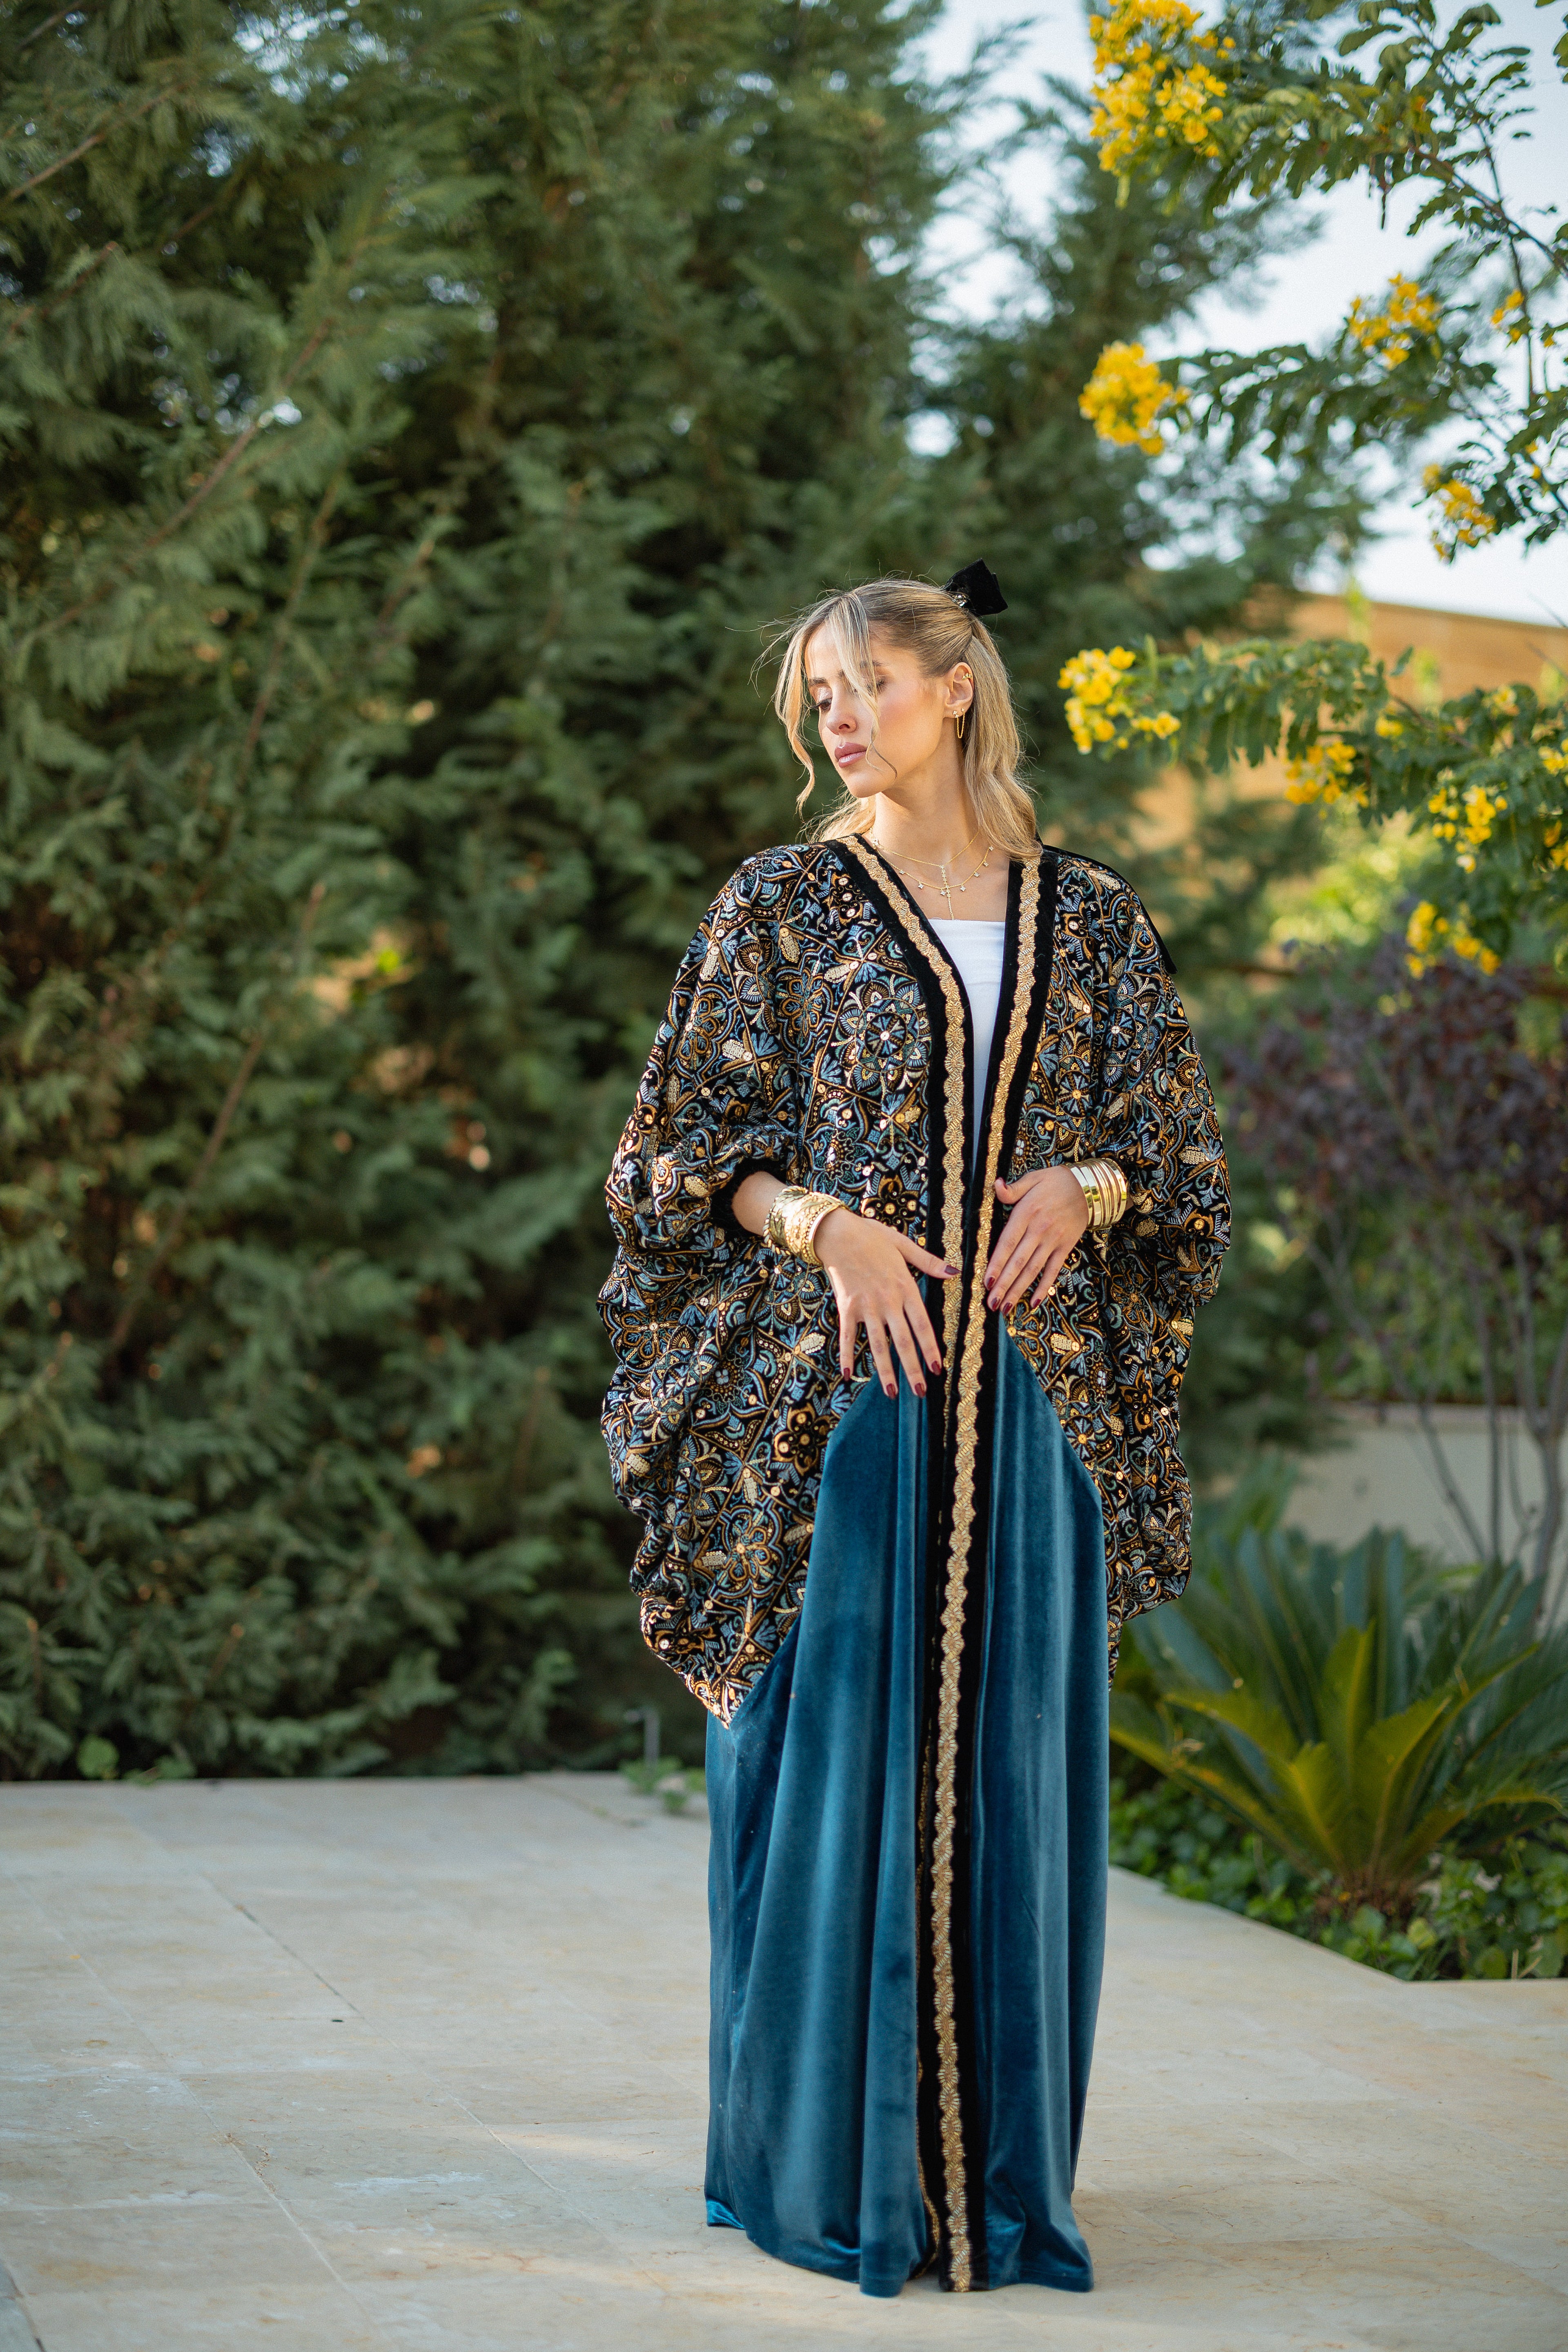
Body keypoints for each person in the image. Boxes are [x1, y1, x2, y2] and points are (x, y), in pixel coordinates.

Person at [599, 567, 1229, 2297]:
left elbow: (1178, 1159)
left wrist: (1088, 1188)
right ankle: (825, 2175)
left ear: (956, 686)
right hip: (837, 1414)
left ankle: (998, 2194)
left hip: (1030, 1422)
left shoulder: (1092, 919)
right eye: (820, 695)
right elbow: (671, 1158)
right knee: (831, 1779)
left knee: (1013, 1782)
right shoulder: (782, 907)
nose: (840, 716)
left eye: (866, 680)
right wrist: (826, 1228)